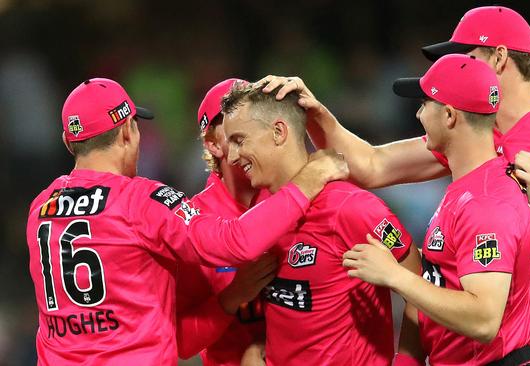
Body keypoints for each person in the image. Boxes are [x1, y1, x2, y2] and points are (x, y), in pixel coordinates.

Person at [262, 6, 530, 365]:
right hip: (494, 349)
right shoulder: (475, 137)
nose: (456, 65)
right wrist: (316, 113)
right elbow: (371, 165)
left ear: (498, 57)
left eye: (467, 55)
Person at [26, 78, 348, 365]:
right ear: (127, 131)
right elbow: (236, 241)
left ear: (70, 143)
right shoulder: (142, 202)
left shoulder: (40, 208)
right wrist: (309, 180)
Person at [342, 54, 530, 365]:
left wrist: (395, 275)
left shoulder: (486, 203)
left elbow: (483, 320)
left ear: (449, 116)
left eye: (424, 105)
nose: (419, 114)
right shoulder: (470, 186)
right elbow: (439, 281)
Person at [220, 82, 421, 366]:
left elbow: (414, 270)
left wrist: (408, 361)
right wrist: (260, 346)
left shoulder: (351, 208)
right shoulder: (263, 205)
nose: (231, 157)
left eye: (240, 141)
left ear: (279, 132)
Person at [176, 78, 269, 366]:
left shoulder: (293, 197)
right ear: (214, 143)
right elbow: (183, 342)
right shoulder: (192, 222)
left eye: (255, 117)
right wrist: (233, 297)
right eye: (232, 120)